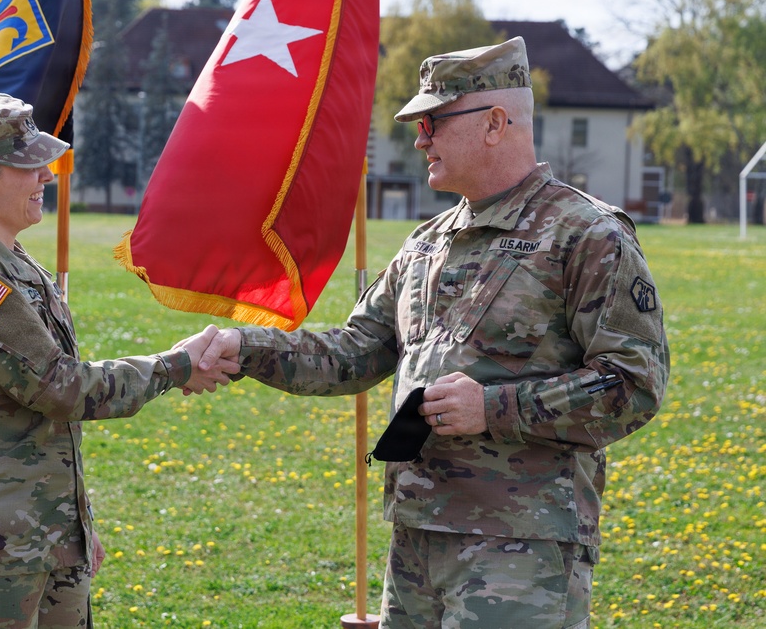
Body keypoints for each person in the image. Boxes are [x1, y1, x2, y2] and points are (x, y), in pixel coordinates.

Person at [188, 37, 669, 629]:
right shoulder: (427, 242)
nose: (420, 140)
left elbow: (633, 385)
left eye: (433, 122)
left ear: (495, 123)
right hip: (417, 536)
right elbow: (354, 353)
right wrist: (246, 347)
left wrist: (492, 408)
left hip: (521, 546)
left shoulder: (587, 235)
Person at [0, 91, 237, 629]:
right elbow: (60, 388)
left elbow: (39, 423)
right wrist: (176, 366)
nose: (46, 176)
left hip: (38, 542)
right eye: (27, 166)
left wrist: (71, 525)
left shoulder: (10, 263)